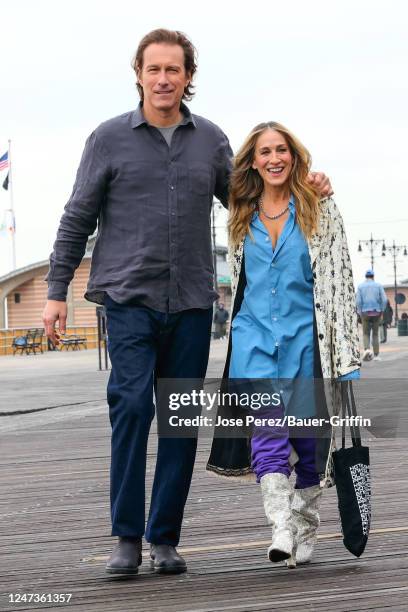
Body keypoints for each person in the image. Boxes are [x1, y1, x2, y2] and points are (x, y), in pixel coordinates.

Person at [42, 29, 333, 576]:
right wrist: (56, 291)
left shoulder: (212, 141)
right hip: (128, 300)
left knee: (178, 421)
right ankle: (126, 537)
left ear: (188, 78)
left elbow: (254, 198)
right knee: (130, 409)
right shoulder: (107, 139)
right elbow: (76, 216)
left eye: (174, 70)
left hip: (193, 304)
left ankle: (164, 539)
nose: (164, 79)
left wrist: (309, 187)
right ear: (139, 74)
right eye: (154, 69)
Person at [206, 122, 360, 568]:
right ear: (253, 161)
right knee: (268, 434)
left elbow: (340, 279)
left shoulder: (319, 207)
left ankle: (305, 523)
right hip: (254, 341)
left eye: (281, 150)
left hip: (306, 343)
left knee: (311, 445)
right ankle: (280, 526)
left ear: (294, 156)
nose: (274, 158)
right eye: (264, 152)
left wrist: (346, 351)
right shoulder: (240, 211)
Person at [356, 270, 387, 361]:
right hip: (376, 312)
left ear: (366, 277)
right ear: (373, 276)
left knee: (365, 333)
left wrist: (360, 312)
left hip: (365, 313)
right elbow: (384, 300)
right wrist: (381, 310)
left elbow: (358, 301)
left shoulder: (360, 286)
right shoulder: (378, 286)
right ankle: (376, 355)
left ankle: (367, 352)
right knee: (375, 334)